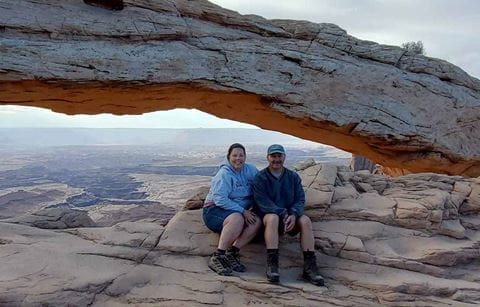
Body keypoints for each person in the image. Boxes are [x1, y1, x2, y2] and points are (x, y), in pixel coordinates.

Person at [253, 144, 325, 286]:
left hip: (289, 218)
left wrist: (293, 214)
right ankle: (272, 265)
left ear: (284, 157)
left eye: (279, 156)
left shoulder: (293, 177)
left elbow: (300, 199)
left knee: (305, 220)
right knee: (272, 217)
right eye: (273, 156)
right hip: (269, 220)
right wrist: (284, 213)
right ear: (268, 158)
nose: (276, 159)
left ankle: (309, 267)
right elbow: (263, 202)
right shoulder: (260, 178)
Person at [203, 143, 262, 276]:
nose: (238, 158)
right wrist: (243, 211)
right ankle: (218, 256)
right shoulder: (224, 174)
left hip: (236, 211)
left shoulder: (250, 170)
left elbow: (262, 185)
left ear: (245, 157)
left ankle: (232, 253)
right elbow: (219, 199)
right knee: (237, 218)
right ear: (229, 157)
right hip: (214, 211)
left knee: (256, 221)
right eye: (234, 155)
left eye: (241, 155)